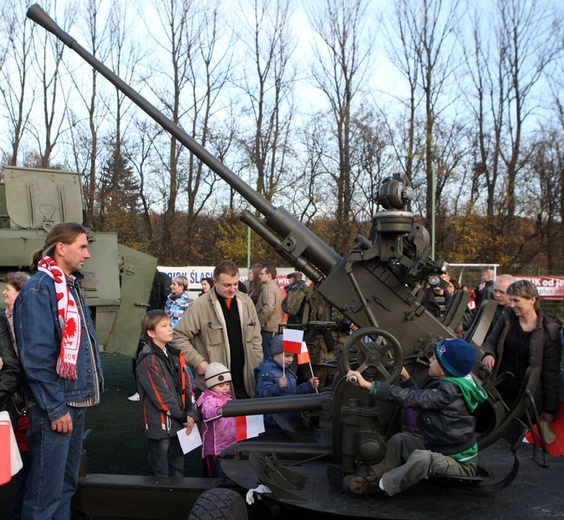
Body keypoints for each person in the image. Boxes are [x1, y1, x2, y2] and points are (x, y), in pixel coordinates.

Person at [13, 222, 104, 519]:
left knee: (65, 488)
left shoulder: (68, 285)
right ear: (61, 248)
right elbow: (36, 358)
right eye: (82, 247)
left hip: (74, 402)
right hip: (58, 408)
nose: (87, 254)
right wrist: (55, 407)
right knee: (44, 496)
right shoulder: (39, 289)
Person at [344, 338, 487, 497]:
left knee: (422, 459)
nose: (430, 359)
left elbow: (414, 398)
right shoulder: (449, 388)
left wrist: (370, 386)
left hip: (459, 465)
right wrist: (406, 378)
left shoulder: (448, 393)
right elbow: (424, 400)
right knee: (401, 440)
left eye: (434, 359)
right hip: (440, 449)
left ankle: (379, 485)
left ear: (445, 370)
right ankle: (371, 472)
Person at [173, 260, 263, 399]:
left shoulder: (246, 302)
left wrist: (256, 361)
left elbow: (256, 338)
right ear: (215, 282)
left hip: (247, 385)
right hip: (215, 389)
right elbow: (178, 336)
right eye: (227, 285)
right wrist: (198, 362)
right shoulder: (200, 306)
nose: (233, 289)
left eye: (235, 284)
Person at [482, 280, 561, 421]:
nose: (512, 305)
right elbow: (491, 341)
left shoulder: (549, 330)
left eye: (516, 301)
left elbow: (551, 373)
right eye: (510, 300)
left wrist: (550, 409)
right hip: (500, 390)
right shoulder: (507, 319)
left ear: (532, 300)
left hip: (527, 398)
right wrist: (489, 354)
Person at [135, 310, 198, 477]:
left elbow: (188, 386)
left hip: (179, 423)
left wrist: (191, 412)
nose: (170, 328)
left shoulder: (175, 355)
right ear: (151, 333)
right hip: (161, 425)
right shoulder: (148, 359)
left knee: (178, 468)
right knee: (160, 472)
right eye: (164, 326)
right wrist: (184, 417)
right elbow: (161, 396)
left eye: (170, 324)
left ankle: (176, 501)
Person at [283, 278, 351, 389]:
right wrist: (308, 282)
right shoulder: (304, 288)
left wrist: (355, 322)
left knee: (338, 392)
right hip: (312, 356)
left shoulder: (344, 288)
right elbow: (289, 308)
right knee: (312, 394)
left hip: (338, 354)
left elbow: (364, 311)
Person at [254, 335, 319, 434]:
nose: (290, 360)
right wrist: (277, 387)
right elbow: (262, 394)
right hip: (273, 422)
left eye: (293, 356)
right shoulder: (266, 369)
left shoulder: (289, 371)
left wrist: (308, 385)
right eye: (287, 355)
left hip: (289, 420)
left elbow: (293, 393)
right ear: (275, 353)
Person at [197, 362, 236, 477]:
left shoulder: (229, 398)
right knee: (215, 479)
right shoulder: (207, 398)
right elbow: (207, 411)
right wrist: (219, 410)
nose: (225, 387)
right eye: (221, 385)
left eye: (227, 384)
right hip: (215, 451)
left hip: (230, 447)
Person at [255, 265, 283, 358]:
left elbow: (269, 307)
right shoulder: (273, 287)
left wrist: (259, 322)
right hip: (272, 328)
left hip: (268, 329)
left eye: (262, 274)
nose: (259, 276)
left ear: (269, 275)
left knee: (268, 357)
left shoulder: (268, 288)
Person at [3, 271, 30, 341]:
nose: (3, 292)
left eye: (7, 289)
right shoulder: (6, 313)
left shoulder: (25, 315)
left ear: (20, 292)